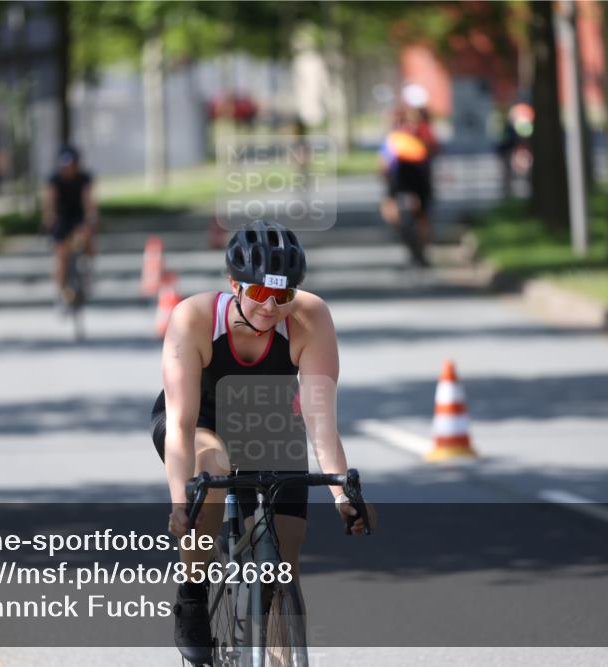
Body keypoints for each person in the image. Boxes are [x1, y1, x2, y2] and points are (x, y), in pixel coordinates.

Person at [150, 221, 373, 663]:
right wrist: (181, 503)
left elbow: (321, 423)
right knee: (211, 470)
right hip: (201, 421)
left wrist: (340, 494)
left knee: (285, 549)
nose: (271, 307)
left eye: (284, 296)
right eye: (258, 294)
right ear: (234, 284)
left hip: (269, 422)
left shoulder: (312, 320)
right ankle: (193, 596)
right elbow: (180, 424)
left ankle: (271, 629)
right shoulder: (193, 318)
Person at [42, 145, 98, 307]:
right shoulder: (55, 180)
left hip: (78, 219)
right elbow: (49, 203)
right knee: (60, 255)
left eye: (71, 164)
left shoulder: (83, 179)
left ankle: (87, 268)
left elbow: (88, 202)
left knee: (86, 235)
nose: (68, 168)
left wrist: (92, 218)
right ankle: (60, 291)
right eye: (65, 165)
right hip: (61, 220)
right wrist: (49, 219)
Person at [379, 107, 432, 267]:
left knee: (418, 216)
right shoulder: (402, 137)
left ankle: (418, 248)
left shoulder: (399, 137)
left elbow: (383, 163)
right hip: (406, 178)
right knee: (417, 216)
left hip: (411, 178)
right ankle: (417, 247)